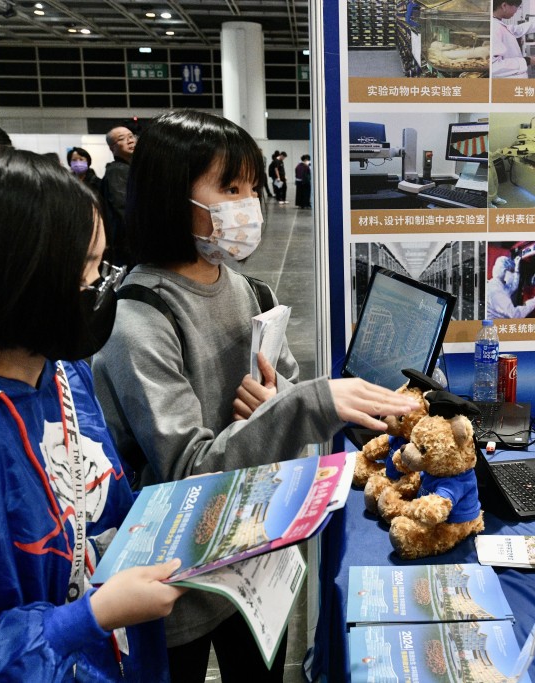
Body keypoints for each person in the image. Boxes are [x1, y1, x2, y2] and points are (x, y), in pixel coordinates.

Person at [92, 109, 418, 682]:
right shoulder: (138, 318)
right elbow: (188, 472)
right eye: (229, 188)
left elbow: (283, 386)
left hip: (253, 564)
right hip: (176, 589)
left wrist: (280, 405)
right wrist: (297, 408)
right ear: (172, 194)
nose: (249, 205)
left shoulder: (246, 287)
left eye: (251, 188)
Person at [0, 145, 184, 681]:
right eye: (91, 269)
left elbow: (99, 508)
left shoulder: (57, 372)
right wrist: (87, 619)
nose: (105, 287)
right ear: (20, 283)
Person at [102, 125, 137, 265]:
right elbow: (123, 208)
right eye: (122, 139)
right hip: (128, 243)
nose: (130, 141)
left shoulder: (130, 169)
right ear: (112, 148)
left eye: (131, 136)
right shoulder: (116, 171)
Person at [491, 0, 535, 79]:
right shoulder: (495, 28)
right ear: (504, 6)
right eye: (516, 6)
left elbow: (517, 29)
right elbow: (494, 66)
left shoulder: (498, 24)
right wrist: (526, 61)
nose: (516, 10)